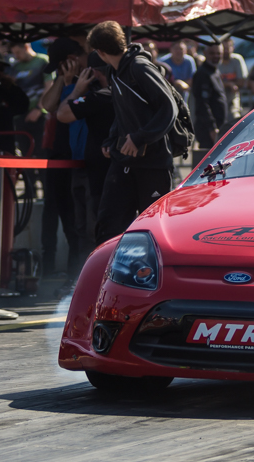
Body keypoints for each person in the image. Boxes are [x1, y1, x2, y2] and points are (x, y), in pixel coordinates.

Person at [89, 21, 178, 244]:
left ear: (100, 52)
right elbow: (122, 113)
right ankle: (107, 267)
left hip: (154, 164)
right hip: (124, 161)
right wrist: (111, 140)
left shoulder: (139, 67)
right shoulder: (114, 71)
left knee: (154, 229)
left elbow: (169, 108)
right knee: (109, 224)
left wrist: (140, 137)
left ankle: (153, 268)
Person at [37, 38, 86, 274]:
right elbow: (47, 105)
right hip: (58, 153)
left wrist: (70, 84)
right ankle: (51, 264)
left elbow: (65, 110)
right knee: (55, 208)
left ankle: (75, 271)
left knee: (75, 218)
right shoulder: (63, 79)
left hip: (77, 156)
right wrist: (62, 79)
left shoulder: (86, 79)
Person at [58, 52, 116, 247]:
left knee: (92, 231)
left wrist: (76, 89)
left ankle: (90, 266)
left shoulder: (99, 97)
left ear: (94, 73)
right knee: (88, 227)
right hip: (102, 171)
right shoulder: (122, 94)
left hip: (98, 175)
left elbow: (62, 114)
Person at [191, 43, 229, 164]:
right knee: (208, 165)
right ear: (205, 54)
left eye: (218, 53)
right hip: (208, 130)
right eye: (212, 53)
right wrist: (212, 128)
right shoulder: (202, 73)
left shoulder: (215, 71)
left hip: (218, 127)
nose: (216, 56)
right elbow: (202, 104)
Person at [217, 38, 248, 122]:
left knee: (234, 117)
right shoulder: (216, 61)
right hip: (218, 98)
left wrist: (225, 84)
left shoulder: (237, 60)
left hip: (232, 97)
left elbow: (241, 82)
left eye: (228, 48)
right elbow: (213, 83)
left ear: (232, 48)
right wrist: (229, 84)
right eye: (224, 48)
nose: (226, 51)